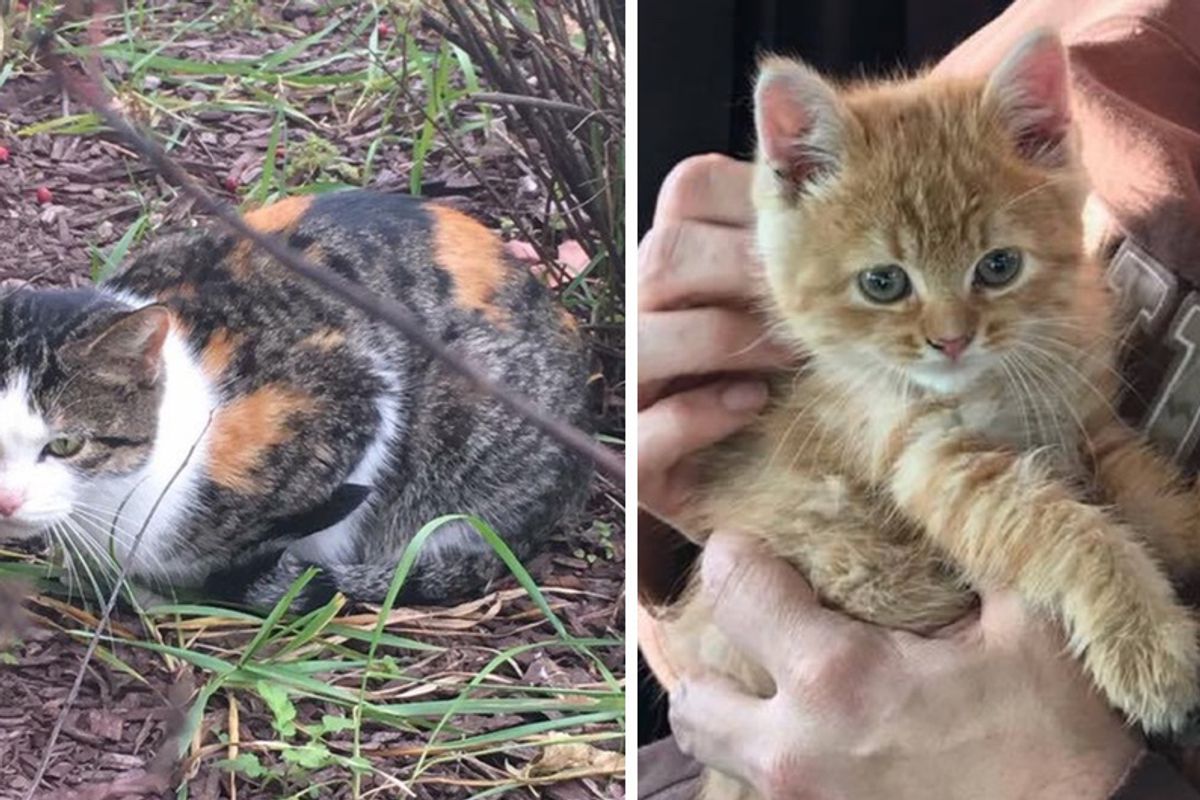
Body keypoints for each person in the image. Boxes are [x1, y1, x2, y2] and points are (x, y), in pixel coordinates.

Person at [637, 0, 1200, 797]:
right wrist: (658, 508)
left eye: (995, 271)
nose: (949, 333)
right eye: (886, 284)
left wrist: (1080, 780)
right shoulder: (1054, 38)